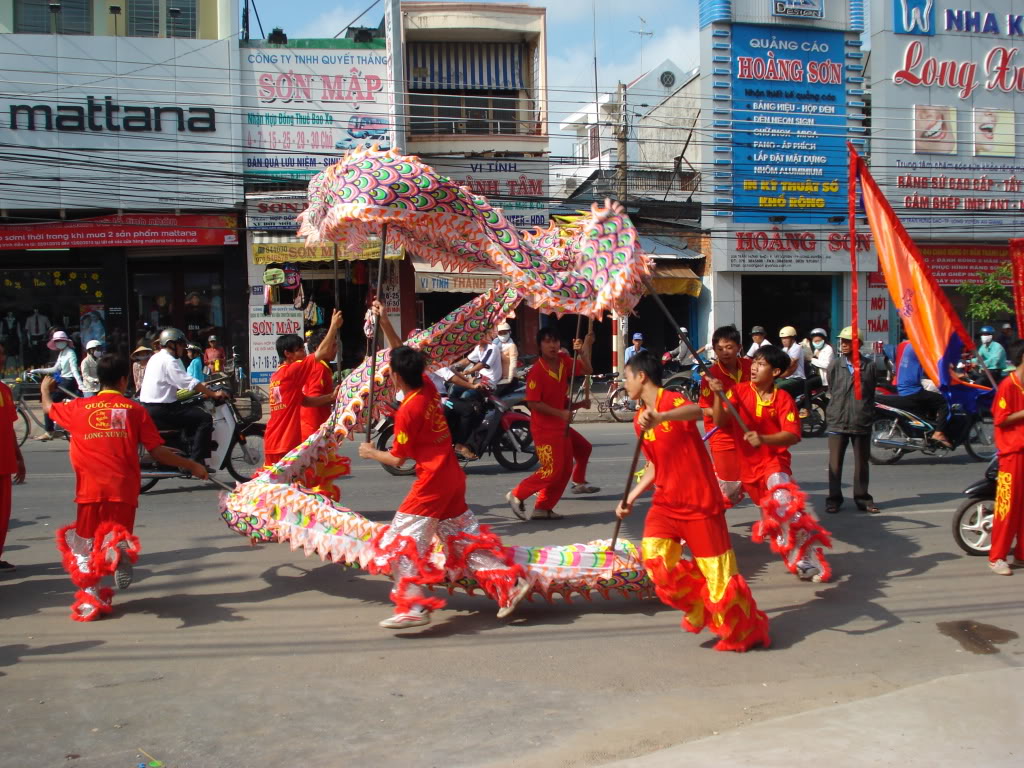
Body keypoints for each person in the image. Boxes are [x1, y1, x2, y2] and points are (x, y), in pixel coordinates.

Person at [358, 345, 531, 629]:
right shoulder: (426, 388)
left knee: (400, 543)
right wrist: (387, 322)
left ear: (396, 376)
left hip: (432, 484)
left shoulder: (407, 411)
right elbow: (405, 353)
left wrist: (370, 452)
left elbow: (398, 459)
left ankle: (413, 606)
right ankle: (510, 583)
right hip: (452, 477)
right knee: (463, 541)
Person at [616, 352, 770, 652]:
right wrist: (630, 497)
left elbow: (699, 413)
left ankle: (744, 630)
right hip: (665, 503)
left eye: (626, 377)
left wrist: (661, 417)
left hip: (700, 503)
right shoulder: (639, 420)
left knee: (720, 575)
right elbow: (654, 465)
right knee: (654, 559)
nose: (624, 384)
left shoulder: (670, 400)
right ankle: (703, 604)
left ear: (641, 377)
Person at [42, 355, 208, 621]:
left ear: (98, 379)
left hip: (89, 490)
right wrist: (191, 465)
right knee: (113, 536)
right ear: (124, 380)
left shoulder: (78, 407)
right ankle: (116, 550)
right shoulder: (133, 410)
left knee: (85, 548)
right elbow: (157, 452)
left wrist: (44, 389)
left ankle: (90, 600)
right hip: (123, 488)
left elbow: (49, 408)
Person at [708, 345, 832, 582]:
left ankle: (806, 559)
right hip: (745, 467)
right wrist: (717, 394)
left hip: (774, 464)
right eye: (754, 361)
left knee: (787, 508)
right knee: (712, 500)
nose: (754, 367)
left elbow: (793, 434)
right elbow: (720, 420)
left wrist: (763, 439)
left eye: (761, 364)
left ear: (775, 372)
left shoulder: (783, 398)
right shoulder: (739, 391)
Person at [506, 326, 599, 521]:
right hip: (544, 429)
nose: (552, 345)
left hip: (560, 427)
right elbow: (533, 403)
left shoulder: (564, 362)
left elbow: (588, 370)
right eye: (547, 341)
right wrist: (560, 413)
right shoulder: (537, 372)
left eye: (555, 341)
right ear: (539, 346)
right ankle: (517, 493)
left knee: (564, 469)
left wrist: (584, 349)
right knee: (551, 470)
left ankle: (543, 507)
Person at [264, 310, 343, 467]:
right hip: (284, 443)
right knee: (290, 489)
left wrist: (330, 397)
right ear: (288, 354)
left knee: (274, 489)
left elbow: (304, 401)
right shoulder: (291, 371)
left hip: (274, 441)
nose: (303, 354)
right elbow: (320, 353)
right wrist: (333, 326)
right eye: (300, 350)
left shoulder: (276, 376)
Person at [140, 328, 228, 465]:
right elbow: (188, 383)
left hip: (151, 407)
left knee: (192, 410)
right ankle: (195, 461)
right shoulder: (169, 361)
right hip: (162, 409)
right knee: (204, 418)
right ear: (171, 344)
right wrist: (213, 393)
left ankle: (186, 450)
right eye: (181, 344)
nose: (183, 348)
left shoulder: (155, 357)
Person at [825, 327, 880, 515]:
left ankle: (863, 498)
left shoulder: (869, 366)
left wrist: (865, 411)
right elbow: (832, 388)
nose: (844, 345)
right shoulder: (835, 365)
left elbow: (870, 393)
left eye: (848, 341)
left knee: (861, 463)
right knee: (835, 464)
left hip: (861, 419)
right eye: (842, 341)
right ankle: (834, 500)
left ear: (859, 344)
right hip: (838, 419)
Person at [698, 325, 753, 502]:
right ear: (714, 350)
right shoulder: (710, 375)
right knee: (728, 490)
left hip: (749, 433)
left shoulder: (750, 367)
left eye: (730, 347)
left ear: (739, 347)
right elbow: (705, 409)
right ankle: (715, 524)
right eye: (720, 349)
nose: (725, 352)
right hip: (722, 435)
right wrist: (720, 403)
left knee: (757, 483)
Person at [989, 340, 1024, 576]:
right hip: (1012, 455)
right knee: (1007, 507)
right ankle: (997, 557)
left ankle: (1021, 554)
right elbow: (1000, 418)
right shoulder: (1008, 385)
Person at [28, 330, 86, 441]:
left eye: (61, 340)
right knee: (48, 399)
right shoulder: (62, 353)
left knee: (50, 402)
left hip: (68, 382)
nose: (59, 343)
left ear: (65, 341)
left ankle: (49, 431)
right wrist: (37, 370)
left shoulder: (70, 353)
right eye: (57, 341)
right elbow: (55, 369)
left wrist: (80, 384)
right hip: (62, 381)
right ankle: (57, 425)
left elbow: (74, 370)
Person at [0, 342, 27, 572]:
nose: (0, 359)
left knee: (2, 516)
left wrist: (18, 457)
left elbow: (9, 427)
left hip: (4, 463)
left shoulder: (4, 391)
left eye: (1, 355)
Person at [895, 343, 952, 448]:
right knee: (942, 401)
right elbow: (934, 365)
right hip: (912, 390)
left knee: (931, 395)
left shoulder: (909, 346)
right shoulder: (919, 346)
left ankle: (930, 425)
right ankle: (938, 433)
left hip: (904, 386)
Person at [299, 328, 335, 441]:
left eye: (336, 345)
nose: (336, 349)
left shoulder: (319, 366)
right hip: (314, 429)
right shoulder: (319, 368)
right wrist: (333, 396)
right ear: (317, 348)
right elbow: (313, 398)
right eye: (332, 346)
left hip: (312, 427)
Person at [775, 326, 805, 399]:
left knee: (777, 387)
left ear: (792, 338)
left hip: (797, 378)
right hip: (787, 377)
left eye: (786, 338)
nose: (783, 340)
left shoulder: (797, 347)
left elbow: (790, 363)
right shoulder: (784, 349)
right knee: (768, 383)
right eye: (782, 338)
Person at [494, 322, 519, 395]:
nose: (502, 335)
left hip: (509, 379)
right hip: (499, 378)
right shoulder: (496, 344)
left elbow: (513, 364)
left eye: (505, 332)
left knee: (495, 396)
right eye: (500, 333)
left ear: (509, 332)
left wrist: (509, 379)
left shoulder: (512, 346)